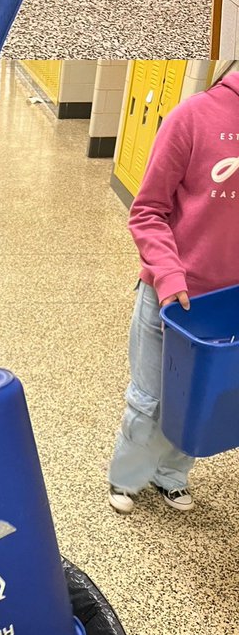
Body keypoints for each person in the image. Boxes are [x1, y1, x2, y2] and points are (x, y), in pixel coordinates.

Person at [107, 61, 239, 515]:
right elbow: (147, 210)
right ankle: (128, 477)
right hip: (173, 295)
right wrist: (168, 275)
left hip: (228, 306)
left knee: (202, 399)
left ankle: (171, 475)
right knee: (150, 399)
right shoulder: (193, 116)